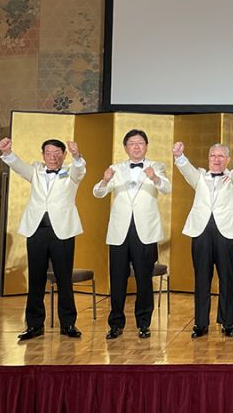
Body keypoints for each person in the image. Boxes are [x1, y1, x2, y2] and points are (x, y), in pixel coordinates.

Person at [0, 137, 86, 341]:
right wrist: (7, 152)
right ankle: (34, 325)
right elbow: (18, 166)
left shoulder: (71, 172)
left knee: (64, 279)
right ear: (43, 155)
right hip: (37, 231)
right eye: (48, 153)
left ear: (64, 155)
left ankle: (68, 324)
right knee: (36, 279)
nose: (52, 157)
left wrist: (77, 156)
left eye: (57, 153)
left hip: (62, 232)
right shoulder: (36, 170)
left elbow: (79, 169)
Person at [93, 129, 171, 339]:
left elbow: (167, 188)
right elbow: (98, 193)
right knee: (117, 279)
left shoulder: (156, 166)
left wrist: (154, 178)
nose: (136, 147)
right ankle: (116, 324)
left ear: (146, 146)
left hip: (145, 230)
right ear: (125, 147)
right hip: (120, 231)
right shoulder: (115, 169)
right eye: (132, 143)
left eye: (140, 143)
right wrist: (104, 180)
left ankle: (144, 324)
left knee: (144, 279)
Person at [173, 141, 233, 338]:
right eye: (213, 155)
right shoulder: (200, 177)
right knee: (202, 278)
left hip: (226, 232)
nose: (216, 159)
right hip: (201, 231)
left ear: (228, 159)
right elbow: (186, 170)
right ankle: (200, 323)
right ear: (208, 158)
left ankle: (227, 323)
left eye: (221, 156)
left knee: (227, 279)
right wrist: (179, 155)